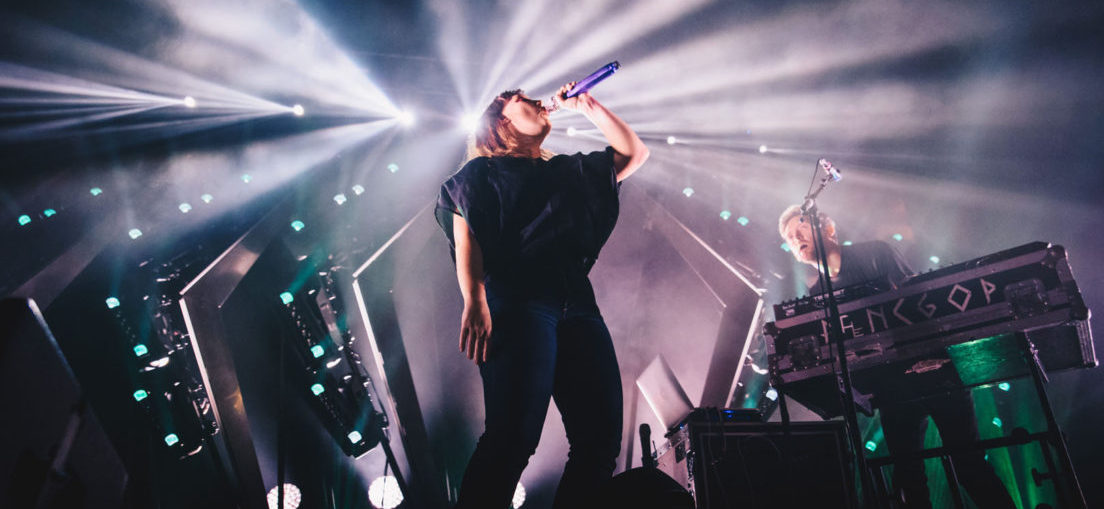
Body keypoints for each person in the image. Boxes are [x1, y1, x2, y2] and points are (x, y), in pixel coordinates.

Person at [435, 83, 649, 509]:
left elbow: (634, 153)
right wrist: (474, 299)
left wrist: (586, 104)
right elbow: (466, 239)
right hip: (518, 299)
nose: (538, 101)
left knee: (599, 442)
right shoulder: (479, 174)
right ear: (500, 123)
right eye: (522, 100)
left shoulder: (568, 171)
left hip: (578, 303)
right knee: (512, 437)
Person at [777, 205, 1015, 509]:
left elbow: (918, 304)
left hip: (936, 370)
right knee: (908, 481)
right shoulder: (817, 296)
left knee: (969, 466)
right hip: (893, 390)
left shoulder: (875, 253)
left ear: (830, 230)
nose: (796, 239)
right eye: (789, 238)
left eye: (801, 229)